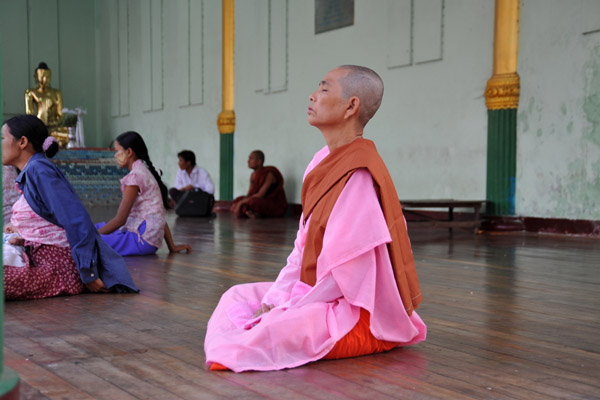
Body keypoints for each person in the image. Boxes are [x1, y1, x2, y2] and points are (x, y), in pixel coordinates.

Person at [204, 65, 426, 372]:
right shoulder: (321, 161)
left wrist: (286, 308)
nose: (312, 96)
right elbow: (301, 247)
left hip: (356, 309)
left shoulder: (358, 174)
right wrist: (276, 297)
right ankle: (268, 321)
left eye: (323, 89)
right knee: (237, 295)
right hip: (311, 292)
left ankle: (263, 330)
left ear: (352, 106)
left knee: (268, 330)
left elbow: (345, 278)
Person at [2, 115, 138, 300]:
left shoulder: (38, 170)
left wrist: (88, 272)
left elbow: (75, 218)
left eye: (2, 138)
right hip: (44, 259)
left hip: (60, 267)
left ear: (22, 142)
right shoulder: (32, 170)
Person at [96, 131, 192, 256]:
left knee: (90, 240)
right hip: (149, 240)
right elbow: (158, 216)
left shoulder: (135, 177)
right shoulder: (145, 172)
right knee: (94, 228)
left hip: (141, 241)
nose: (115, 156)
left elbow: (120, 220)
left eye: (118, 151)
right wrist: (172, 247)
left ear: (129, 152)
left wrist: (93, 238)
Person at [230, 150, 288, 218]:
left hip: (273, 204)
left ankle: (251, 212)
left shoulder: (269, 174)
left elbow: (260, 194)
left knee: (253, 202)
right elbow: (250, 194)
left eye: (251, 159)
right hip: (259, 199)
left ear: (259, 161)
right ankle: (252, 213)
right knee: (238, 199)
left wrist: (240, 203)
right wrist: (239, 202)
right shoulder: (253, 175)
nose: (248, 161)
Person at [24, 62, 69, 147]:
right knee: (33, 135)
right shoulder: (31, 93)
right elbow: (29, 115)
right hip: (39, 127)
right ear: (36, 77)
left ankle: (50, 142)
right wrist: (37, 125)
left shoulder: (56, 93)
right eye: (42, 77)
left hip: (54, 128)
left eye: (47, 77)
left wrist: (54, 123)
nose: (45, 80)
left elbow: (61, 115)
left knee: (66, 133)